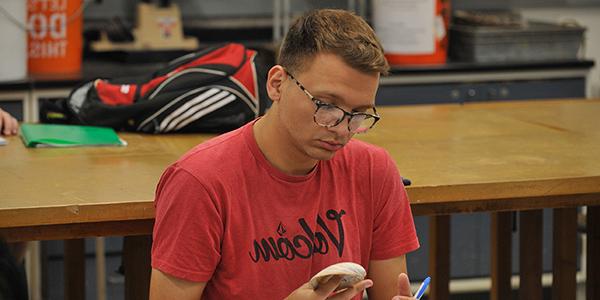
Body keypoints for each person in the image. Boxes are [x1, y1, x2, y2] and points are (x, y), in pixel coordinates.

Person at [150, 8, 420, 300]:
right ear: (277, 84)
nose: (343, 130)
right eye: (327, 105)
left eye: (359, 114)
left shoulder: (372, 170)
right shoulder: (200, 182)